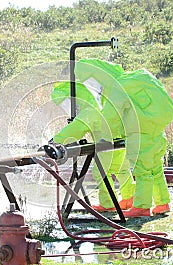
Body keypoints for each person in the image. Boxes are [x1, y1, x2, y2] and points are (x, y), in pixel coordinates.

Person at [50, 61, 135, 211]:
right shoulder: (99, 102)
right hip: (120, 140)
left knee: (101, 173)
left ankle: (108, 204)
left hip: (106, 143)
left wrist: (55, 141)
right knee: (122, 169)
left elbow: (77, 128)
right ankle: (130, 198)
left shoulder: (89, 109)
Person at [95, 66, 173, 217]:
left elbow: (110, 116)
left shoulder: (117, 86)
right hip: (157, 131)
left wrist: (108, 137)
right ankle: (162, 203)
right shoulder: (140, 77)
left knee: (143, 170)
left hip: (140, 132)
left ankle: (141, 206)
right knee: (155, 168)